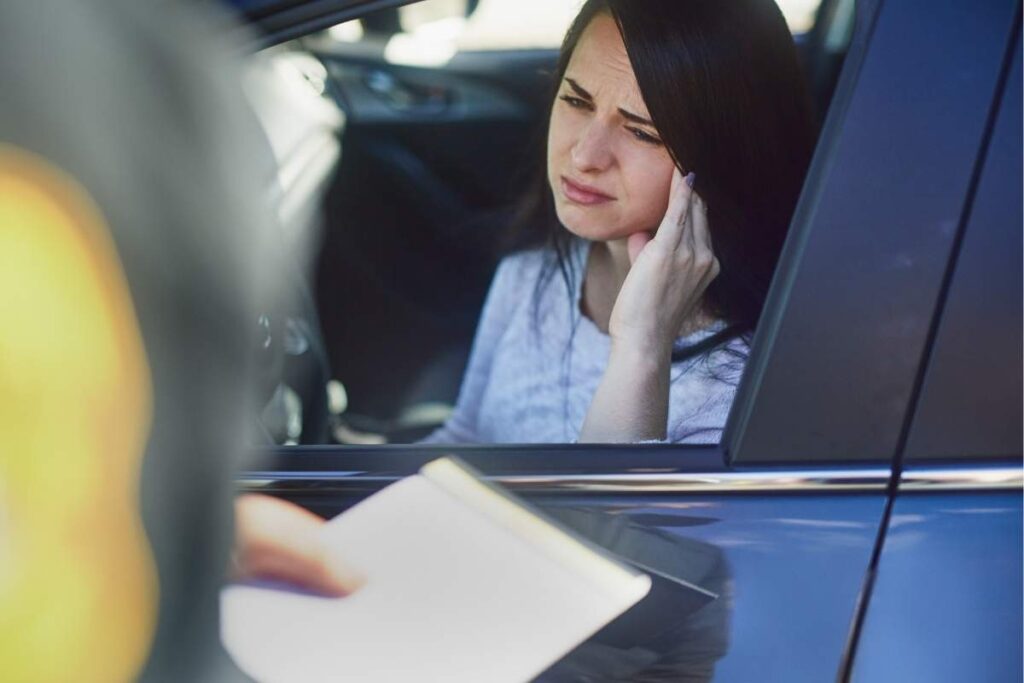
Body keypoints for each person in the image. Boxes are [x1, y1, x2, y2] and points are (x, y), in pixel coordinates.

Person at [425, 0, 815, 445]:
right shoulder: (536, 267)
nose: (584, 156)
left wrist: (641, 348)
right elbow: (466, 437)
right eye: (576, 100)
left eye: (642, 131)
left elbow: (607, 516)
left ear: (727, 157)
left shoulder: (741, 388)